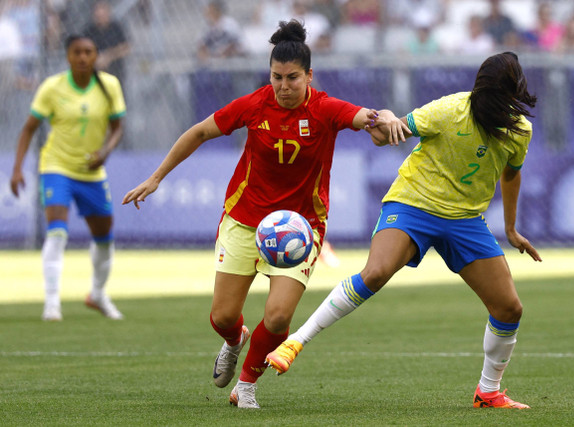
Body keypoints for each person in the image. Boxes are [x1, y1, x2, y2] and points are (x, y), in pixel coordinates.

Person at [122, 19, 406, 409]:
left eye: (292, 78)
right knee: (222, 316)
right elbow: (200, 132)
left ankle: (247, 384)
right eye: (276, 77)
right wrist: (156, 178)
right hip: (244, 218)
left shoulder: (325, 109)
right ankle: (234, 340)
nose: (284, 86)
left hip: (300, 227)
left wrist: (385, 116)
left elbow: (368, 119)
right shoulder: (255, 105)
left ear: (309, 76)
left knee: (276, 318)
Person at [266, 51, 543, 410]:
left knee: (509, 308)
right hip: (413, 203)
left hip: (464, 220)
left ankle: (488, 391)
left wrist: (510, 228)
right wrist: (384, 122)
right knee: (377, 272)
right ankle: (296, 342)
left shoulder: (519, 130)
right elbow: (391, 131)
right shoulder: (450, 109)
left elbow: (511, 173)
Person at [10, 34, 127, 321]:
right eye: (78, 52)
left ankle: (97, 293)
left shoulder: (109, 85)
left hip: (91, 172)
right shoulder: (52, 87)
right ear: (68, 56)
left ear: (96, 55)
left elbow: (117, 127)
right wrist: (16, 169)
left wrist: (105, 152)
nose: (84, 57)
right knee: (57, 231)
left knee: (104, 237)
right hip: (56, 167)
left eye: (89, 52)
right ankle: (52, 304)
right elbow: (28, 128)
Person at [83, 1, 130, 86]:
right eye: (97, 11)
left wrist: (108, 56)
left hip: (115, 72)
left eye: (103, 11)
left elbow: (126, 47)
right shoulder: (89, 30)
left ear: (108, 12)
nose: (100, 15)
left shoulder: (116, 28)